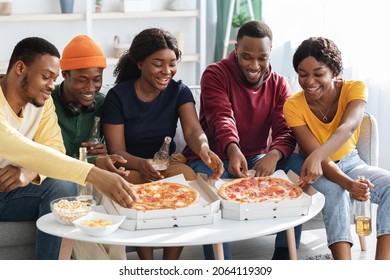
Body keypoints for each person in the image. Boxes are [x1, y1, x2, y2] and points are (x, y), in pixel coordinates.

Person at [0, 37, 136, 260]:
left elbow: (53, 146)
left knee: (65, 189)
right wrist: (94, 174)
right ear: (20, 68)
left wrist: (30, 171)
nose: (51, 86)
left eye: (53, 79)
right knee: (69, 186)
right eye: (45, 77)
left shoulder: (42, 102)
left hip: (12, 191)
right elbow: (16, 145)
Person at [183, 20, 304, 260]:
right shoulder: (215, 73)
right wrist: (233, 148)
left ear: (270, 54)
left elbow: (286, 130)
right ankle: (221, 263)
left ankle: (284, 254)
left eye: (262, 58)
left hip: (259, 156)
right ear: (236, 48)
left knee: (299, 167)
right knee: (212, 189)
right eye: (247, 56)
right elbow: (221, 117)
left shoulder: (279, 83)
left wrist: (274, 154)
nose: (254, 65)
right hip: (212, 157)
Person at [101, 27, 224, 260]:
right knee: (129, 191)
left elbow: (192, 130)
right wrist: (141, 164)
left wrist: (205, 149)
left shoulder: (179, 91)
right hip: (131, 167)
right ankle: (148, 265)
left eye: (172, 63)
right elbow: (116, 150)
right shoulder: (118, 97)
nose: (166, 71)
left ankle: (169, 265)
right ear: (140, 63)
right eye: (158, 64)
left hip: (167, 164)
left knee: (188, 178)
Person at [283, 37, 390, 260]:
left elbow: (349, 126)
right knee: (337, 193)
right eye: (303, 74)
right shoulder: (293, 105)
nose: (309, 81)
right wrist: (349, 184)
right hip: (319, 169)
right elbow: (320, 162)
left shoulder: (355, 88)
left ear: (334, 71)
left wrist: (318, 154)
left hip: (351, 162)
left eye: (318, 73)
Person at [52, 34, 129, 260]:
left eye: (97, 79)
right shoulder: (46, 103)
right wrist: (91, 161)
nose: (91, 87)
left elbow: (113, 151)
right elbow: (47, 158)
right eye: (82, 79)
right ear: (65, 75)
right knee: (73, 202)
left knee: (115, 193)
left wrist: (106, 156)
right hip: (58, 180)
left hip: (90, 179)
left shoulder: (103, 104)